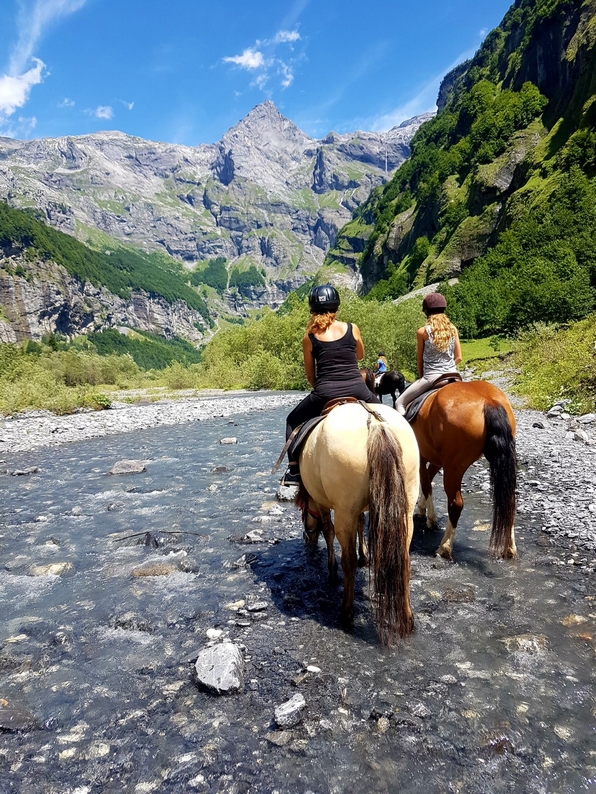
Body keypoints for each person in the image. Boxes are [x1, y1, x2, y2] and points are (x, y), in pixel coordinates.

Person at [281, 284, 380, 486]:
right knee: (387, 416)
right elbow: (359, 355)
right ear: (336, 307)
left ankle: (293, 471)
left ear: (312, 309)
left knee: (292, 420)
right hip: (357, 388)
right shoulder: (352, 328)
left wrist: (323, 387)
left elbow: (311, 376)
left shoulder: (309, 337)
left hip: (325, 392)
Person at [395, 292, 462, 416]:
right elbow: (459, 357)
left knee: (399, 402)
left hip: (431, 377)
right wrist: (447, 367)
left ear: (426, 311)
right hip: (454, 374)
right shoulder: (453, 329)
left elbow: (419, 360)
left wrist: (422, 377)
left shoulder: (422, 332)